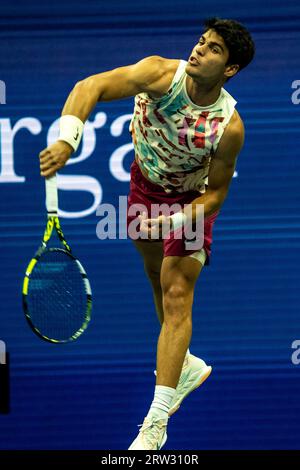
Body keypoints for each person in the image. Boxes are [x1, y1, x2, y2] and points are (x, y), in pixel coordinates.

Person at [39, 17, 255, 450]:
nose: (199, 50)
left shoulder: (228, 127)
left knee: (177, 290)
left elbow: (214, 197)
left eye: (213, 49)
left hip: (190, 204)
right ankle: (186, 366)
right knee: (156, 276)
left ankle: (154, 425)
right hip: (143, 187)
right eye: (201, 41)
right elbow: (90, 86)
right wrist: (68, 139)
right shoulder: (159, 74)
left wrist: (174, 221)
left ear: (229, 69)